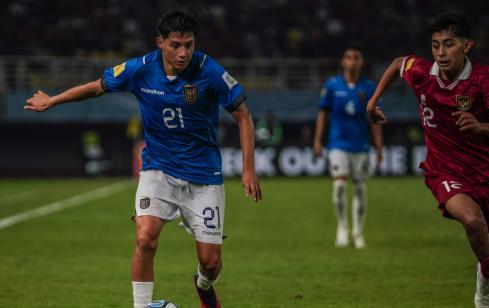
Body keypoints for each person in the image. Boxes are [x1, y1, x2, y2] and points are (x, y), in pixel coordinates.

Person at [25, 10, 261, 308]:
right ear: (160, 42)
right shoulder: (140, 69)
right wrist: (53, 100)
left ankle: (202, 286)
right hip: (158, 170)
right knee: (145, 237)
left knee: (211, 263)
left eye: (189, 44)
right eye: (176, 44)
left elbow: (243, 115)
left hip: (203, 176)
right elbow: (97, 87)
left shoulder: (209, 70)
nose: (183, 52)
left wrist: (248, 169)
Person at [366, 12, 489, 308]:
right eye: (435, 44)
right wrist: (373, 101)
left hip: (484, 173)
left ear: (467, 46)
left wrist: (481, 126)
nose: (440, 52)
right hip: (442, 170)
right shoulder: (423, 72)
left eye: (449, 44)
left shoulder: (484, 79)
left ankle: (484, 278)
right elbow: (398, 63)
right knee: (472, 221)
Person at [313, 47, 383, 249]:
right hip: (337, 144)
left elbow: (375, 120)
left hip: (361, 145)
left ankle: (357, 232)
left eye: (356, 58)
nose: (352, 61)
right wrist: (318, 141)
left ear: (361, 63)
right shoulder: (332, 86)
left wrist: (379, 149)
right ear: (343, 62)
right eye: (349, 58)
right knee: (340, 186)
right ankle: (342, 227)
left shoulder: (369, 87)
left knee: (360, 189)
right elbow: (322, 114)